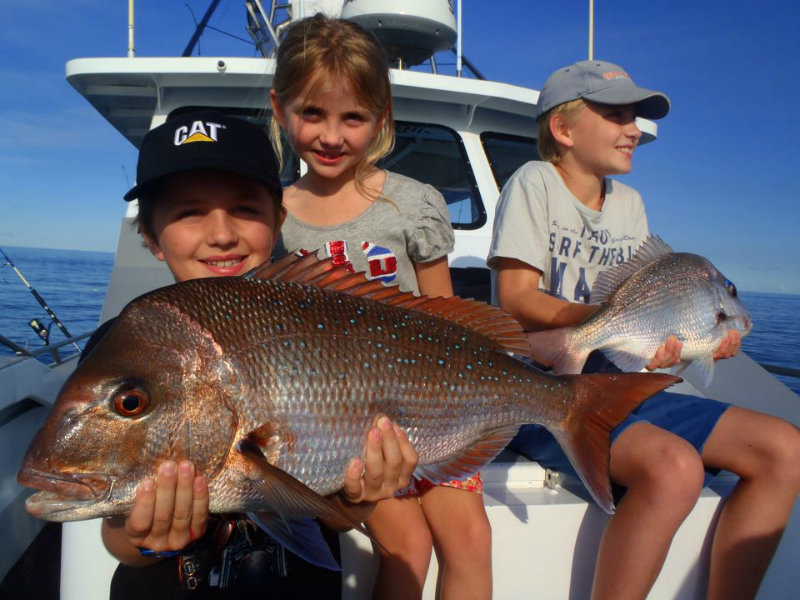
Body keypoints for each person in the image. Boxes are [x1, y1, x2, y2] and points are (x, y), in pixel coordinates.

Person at [488, 59, 800, 600]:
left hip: (618, 379)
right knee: (675, 469)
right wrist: (603, 326)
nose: (634, 129)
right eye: (615, 115)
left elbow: (643, 318)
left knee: (785, 449)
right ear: (563, 129)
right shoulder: (533, 182)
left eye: (634, 116)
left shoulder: (630, 204)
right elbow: (516, 299)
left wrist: (671, 346)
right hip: (538, 385)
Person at [88, 109, 419, 598]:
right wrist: (145, 539)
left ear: (277, 219)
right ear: (151, 236)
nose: (221, 233)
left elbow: (339, 516)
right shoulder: (120, 349)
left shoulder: (324, 320)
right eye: (188, 212)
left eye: (244, 208)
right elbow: (118, 537)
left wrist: (363, 497)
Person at [268, 15, 492, 600]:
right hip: (340, 429)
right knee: (408, 544)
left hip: (432, 410)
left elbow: (447, 319)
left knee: (469, 539)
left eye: (354, 118)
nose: (332, 136)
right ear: (279, 108)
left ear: (382, 119)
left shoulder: (412, 203)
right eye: (312, 113)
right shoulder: (273, 217)